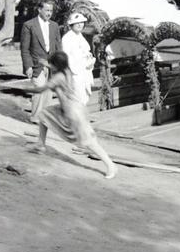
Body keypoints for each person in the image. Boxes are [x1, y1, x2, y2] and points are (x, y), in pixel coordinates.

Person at [29, 51, 117, 179]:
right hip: (70, 108)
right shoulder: (67, 71)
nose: (50, 66)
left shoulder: (58, 77)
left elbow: (40, 89)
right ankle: (40, 144)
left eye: (51, 64)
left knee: (89, 142)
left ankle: (111, 165)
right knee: (44, 114)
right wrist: (45, 63)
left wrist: (25, 89)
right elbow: (55, 67)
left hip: (73, 113)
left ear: (57, 66)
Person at [21, 0, 62, 122]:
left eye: (51, 11)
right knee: (39, 88)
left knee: (48, 91)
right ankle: (35, 117)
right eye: (47, 10)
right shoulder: (29, 25)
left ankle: (44, 117)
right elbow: (25, 49)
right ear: (39, 9)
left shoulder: (54, 26)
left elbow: (58, 46)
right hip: (36, 64)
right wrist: (28, 66)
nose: (49, 13)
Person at [61, 12, 95, 106]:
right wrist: (73, 71)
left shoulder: (80, 36)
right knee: (77, 96)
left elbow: (85, 50)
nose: (80, 25)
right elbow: (66, 56)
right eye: (77, 23)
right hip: (75, 72)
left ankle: (81, 116)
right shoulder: (67, 38)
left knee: (84, 96)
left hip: (84, 70)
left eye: (82, 22)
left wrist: (89, 58)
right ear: (71, 24)